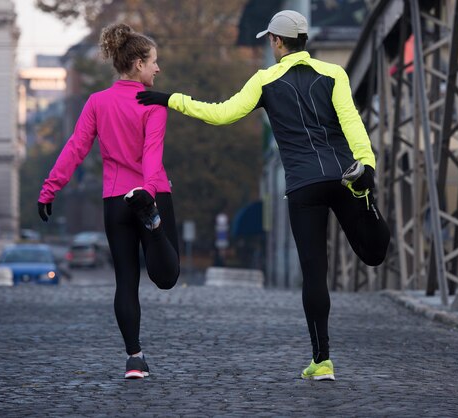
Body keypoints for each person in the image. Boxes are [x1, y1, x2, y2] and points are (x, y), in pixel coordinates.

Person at [136, 10, 390, 381]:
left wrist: (169, 98)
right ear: (304, 39)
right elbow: (353, 123)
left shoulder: (265, 81)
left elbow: (221, 114)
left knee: (314, 273)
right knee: (374, 253)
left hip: (304, 185)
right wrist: (366, 164)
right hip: (342, 174)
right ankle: (368, 200)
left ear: (276, 41)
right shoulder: (334, 74)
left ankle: (322, 362)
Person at [38, 23, 180, 379]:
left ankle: (134, 358)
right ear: (136, 65)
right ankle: (155, 224)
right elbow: (152, 153)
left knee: (126, 280)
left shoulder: (97, 102)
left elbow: (76, 148)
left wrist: (49, 189)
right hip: (151, 193)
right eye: (153, 63)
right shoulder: (153, 104)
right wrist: (148, 192)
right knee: (166, 276)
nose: (157, 69)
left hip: (115, 199)